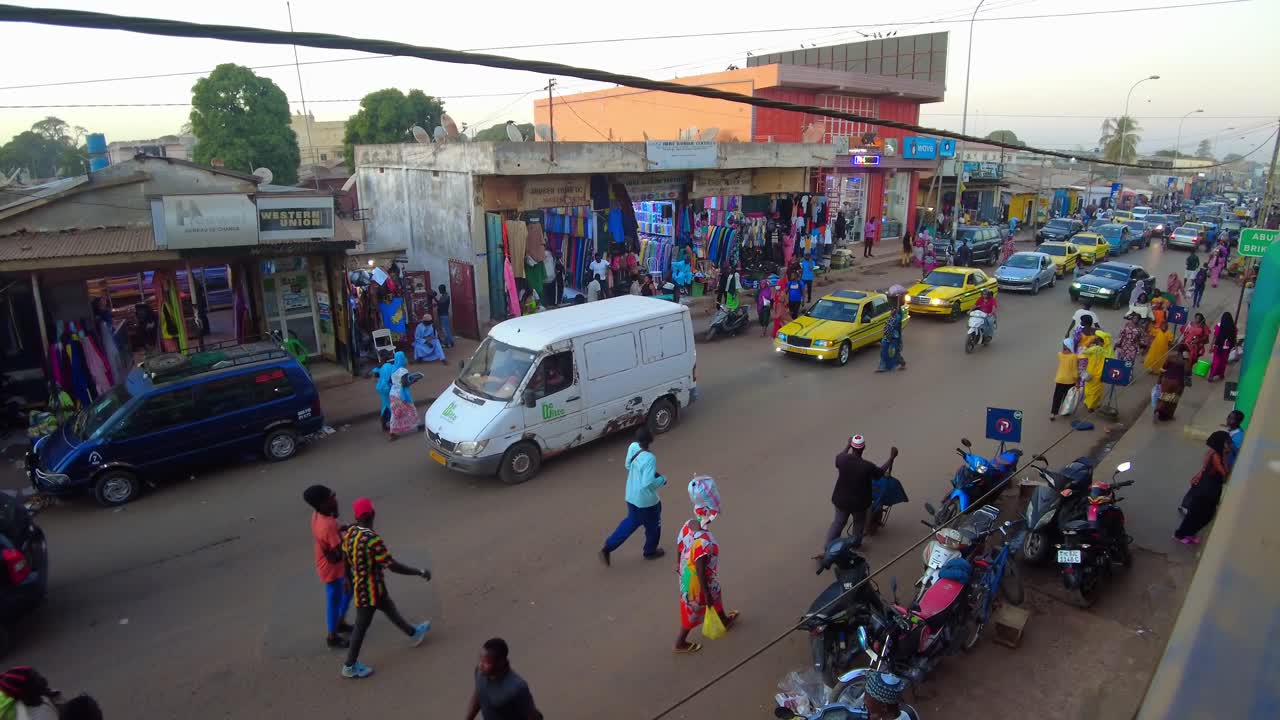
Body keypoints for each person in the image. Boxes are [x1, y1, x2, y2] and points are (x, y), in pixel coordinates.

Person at [340, 497, 433, 678]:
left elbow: (344, 555)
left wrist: (346, 578)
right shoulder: (372, 539)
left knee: (390, 609)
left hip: (368, 586)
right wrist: (419, 571)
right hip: (369, 591)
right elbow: (392, 566)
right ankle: (349, 666)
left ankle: (413, 633)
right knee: (361, 627)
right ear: (373, 513)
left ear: (356, 516)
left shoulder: (350, 532)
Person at [674, 475, 738, 654]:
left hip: (687, 574)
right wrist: (706, 593)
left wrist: (678, 563)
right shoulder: (704, 542)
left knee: (715, 597)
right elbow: (701, 571)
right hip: (699, 583)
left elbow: (679, 545)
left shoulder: (688, 525)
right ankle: (680, 641)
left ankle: (724, 619)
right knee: (694, 609)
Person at [600, 427, 667, 565]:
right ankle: (650, 551)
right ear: (650, 440)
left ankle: (608, 547)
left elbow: (628, 465)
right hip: (646, 502)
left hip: (631, 495)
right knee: (654, 526)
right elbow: (647, 483)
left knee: (630, 522)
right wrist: (662, 480)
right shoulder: (650, 458)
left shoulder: (632, 447)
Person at [826, 435, 898, 549]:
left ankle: (828, 547)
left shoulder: (841, 459)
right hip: (859, 504)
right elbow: (879, 473)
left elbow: (839, 457)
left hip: (840, 500)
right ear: (863, 448)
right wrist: (891, 458)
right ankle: (855, 546)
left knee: (838, 523)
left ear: (852, 447)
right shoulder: (867, 466)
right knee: (858, 524)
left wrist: (847, 445)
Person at [304, 485, 353, 650]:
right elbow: (341, 554)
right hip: (332, 569)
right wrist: (346, 576)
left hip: (324, 561)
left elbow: (334, 527)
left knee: (345, 592)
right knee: (335, 599)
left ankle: (340, 622)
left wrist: (344, 526)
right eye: (331, 498)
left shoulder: (317, 515)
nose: (335, 500)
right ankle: (332, 636)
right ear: (322, 503)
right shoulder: (328, 526)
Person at [1174, 431, 1230, 544]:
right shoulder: (1216, 456)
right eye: (1226, 443)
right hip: (1208, 489)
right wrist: (1225, 456)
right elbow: (1224, 473)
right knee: (1202, 514)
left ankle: (1187, 533)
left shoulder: (1212, 453)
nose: (1229, 445)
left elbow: (1204, 468)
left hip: (1206, 487)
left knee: (1199, 514)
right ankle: (1181, 535)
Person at [466, 638, 541, 720]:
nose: (480, 665)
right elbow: (479, 694)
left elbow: (532, 717)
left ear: (500, 662)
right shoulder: (480, 673)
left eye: (486, 662)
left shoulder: (517, 688)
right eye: (480, 660)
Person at [387, 352, 421, 439]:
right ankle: (416, 426)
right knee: (411, 409)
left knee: (395, 414)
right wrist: (415, 379)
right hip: (401, 395)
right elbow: (405, 383)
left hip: (393, 394)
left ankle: (392, 432)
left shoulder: (393, 368)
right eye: (404, 357)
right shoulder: (403, 371)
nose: (406, 359)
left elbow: (391, 381)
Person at [1154, 344, 1190, 421]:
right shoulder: (1185, 361)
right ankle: (1168, 415)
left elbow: (1163, 369)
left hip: (1166, 380)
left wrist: (1159, 379)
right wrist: (1187, 359)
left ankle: (1157, 411)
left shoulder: (1170, 357)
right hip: (1177, 382)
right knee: (1173, 399)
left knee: (1163, 397)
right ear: (1185, 352)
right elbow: (1187, 371)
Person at [1081, 330, 1112, 412]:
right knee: (1097, 391)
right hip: (1101, 374)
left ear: (1098, 340)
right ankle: (1092, 404)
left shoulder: (1095, 348)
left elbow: (1083, 350)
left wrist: (1089, 342)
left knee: (1089, 389)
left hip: (1090, 372)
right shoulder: (1108, 350)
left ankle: (1090, 405)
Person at [876, 292, 907, 372]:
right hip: (887, 334)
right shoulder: (892, 309)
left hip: (895, 336)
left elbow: (896, 324)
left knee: (894, 351)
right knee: (884, 350)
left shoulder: (898, 312)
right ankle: (882, 366)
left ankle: (900, 363)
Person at [1051, 339, 1079, 420]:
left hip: (1060, 380)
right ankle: (1064, 411)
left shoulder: (1059, 354)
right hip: (1070, 381)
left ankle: (1053, 413)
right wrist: (1077, 382)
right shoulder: (1074, 356)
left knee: (1057, 397)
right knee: (1067, 397)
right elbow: (1074, 371)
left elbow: (1061, 353)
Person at [1144, 301, 1173, 374]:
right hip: (1155, 347)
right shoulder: (1157, 330)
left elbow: (1170, 341)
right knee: (1152, 358)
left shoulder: (1169, 333)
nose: (1164, 327)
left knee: (1160, 359)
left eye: (1165, 326)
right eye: (1163, 325)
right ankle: (1151, 369)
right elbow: (1150, 332)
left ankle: (1157, 370)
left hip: (1163, 349)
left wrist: (1169, 346)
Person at [1207, 311, 1237, 382]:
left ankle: (1211, 376)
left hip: (1218, 347)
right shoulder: (1233, 327)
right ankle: (1221, 374)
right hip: (1227, 348)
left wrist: (1211, 346)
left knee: (1216, 362)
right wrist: (1235, 346)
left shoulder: (1219, 326)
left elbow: (1215, 337)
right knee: (1223, 362)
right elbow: (1234, 338)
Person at [374, 357, 395, 434]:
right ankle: (393, 427)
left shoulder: (381, 367)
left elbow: (375, 373)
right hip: (387, 388)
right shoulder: (391, 366)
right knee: (391, 406)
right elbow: (391, 379)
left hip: (380, 387)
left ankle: (384, 424)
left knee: (385, 405)